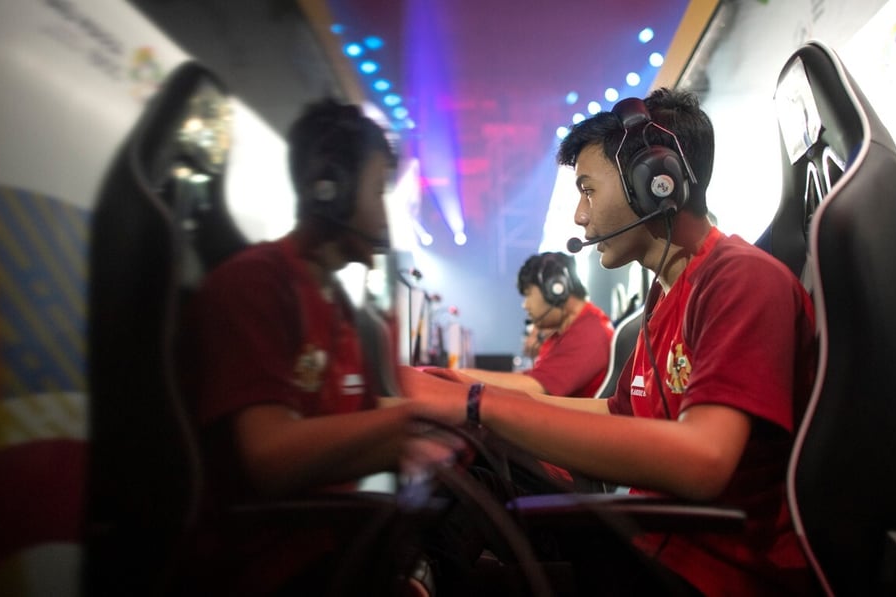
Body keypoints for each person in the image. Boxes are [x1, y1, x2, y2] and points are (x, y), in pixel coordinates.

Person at [402, 88, 818, 596]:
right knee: (466, 483)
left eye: (588, 189)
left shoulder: (740, 280)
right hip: (653, 541)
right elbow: (621, 413)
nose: (580, 215)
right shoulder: (667, 293)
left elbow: (704, 461)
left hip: (710, 571)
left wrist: (477, 403)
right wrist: (471, 403)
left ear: (655, 183)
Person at [186, 98, 446, 595]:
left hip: (329, 543)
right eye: (377, 190)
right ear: (331, 190)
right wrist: (408, 425)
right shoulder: (256, 284)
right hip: (269, 566)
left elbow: (353, 430)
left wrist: (450, 433)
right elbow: (270, 458)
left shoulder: (336, 302)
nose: (385, 213)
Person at [458, 252, 614, 397]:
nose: (525, 305)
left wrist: (457, 377)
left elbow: (535, 388)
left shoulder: (589, 333)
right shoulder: (566, 331)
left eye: (528, 295)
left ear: (555, 289)